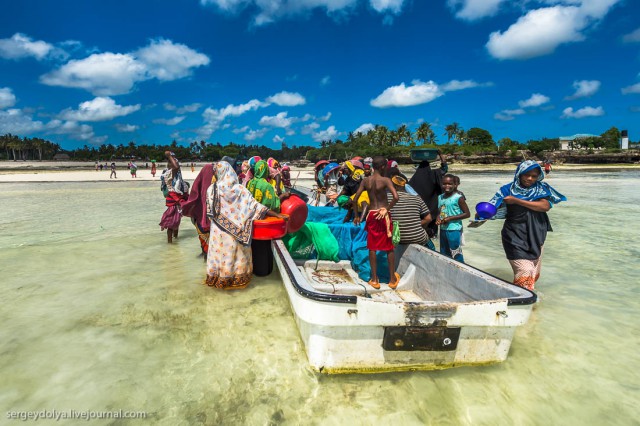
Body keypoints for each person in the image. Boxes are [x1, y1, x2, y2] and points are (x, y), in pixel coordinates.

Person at [482, 160, 566, 291]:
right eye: (527, 175)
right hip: (514, 234)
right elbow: (492, 207)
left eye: (534, 176)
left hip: (537, 232)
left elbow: (545, 206)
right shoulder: (507, 190)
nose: (530, 179)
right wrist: (482, 215)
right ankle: (520, 299)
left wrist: (516, 200)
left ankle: (529, 302)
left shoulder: (540, 188)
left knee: (533, 269)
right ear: (519, 174)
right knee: (525, 269)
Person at [205, 161, 288, 289]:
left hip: (217, 233)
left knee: (220, 255)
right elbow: (255, 206)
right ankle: (237, 282)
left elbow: (210, 212)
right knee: (235, 257)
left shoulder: (212, 189)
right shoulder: (239, 190)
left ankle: (218, 280)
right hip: (237, 234)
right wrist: (276, 215)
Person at [353, 156, 400, 289]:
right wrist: (387, 209)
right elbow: (396, 197)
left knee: (372, 247)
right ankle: (392, 279)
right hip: (383, 214)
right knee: (389, 247)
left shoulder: (366, 181)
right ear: (383, 167)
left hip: (372, 214)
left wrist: (356, 216)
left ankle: (374, 279)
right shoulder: (385, 180)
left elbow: (355, 199)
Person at [408, 150, 448, 242]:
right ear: (429, 168)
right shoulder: (434, 175)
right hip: (433, 212)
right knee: (431, 236)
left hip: (419, 213)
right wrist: (441, 154)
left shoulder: (413, 181)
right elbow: (445, 168)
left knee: (419, 235)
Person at [387, 173, 433, 248]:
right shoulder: (416, 198)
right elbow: (428, 219)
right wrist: (415, 225)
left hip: (395, 237)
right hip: (417, 237)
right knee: (429, 242)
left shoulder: (386, 197)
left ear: (393, 186)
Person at [181, 163, 215, 258]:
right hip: (213, 222)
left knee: (205, 244)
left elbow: (192, 198)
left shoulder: (199, 183)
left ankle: (204, 254)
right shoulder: (217, 185)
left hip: (200, 219)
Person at [436, 174, 470, 262]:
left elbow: (467, 214)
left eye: (450, 184)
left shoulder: (458, 198)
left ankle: (461, 269)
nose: (447, 186)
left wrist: (450, 218)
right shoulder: (440, 197)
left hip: (454, 229)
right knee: (444, 252)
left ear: (455, 185)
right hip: (443, 229)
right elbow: (440, 211)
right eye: (444, 183)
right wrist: (438, 218)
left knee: (456, 252)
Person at [159, 151, 189, 243]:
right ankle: (170, 243)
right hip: (174, 201)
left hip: (176, 200)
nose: (177, 164)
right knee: (172, 223)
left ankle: (175, 239)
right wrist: (169, 156)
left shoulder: (175, 175)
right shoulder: (169, 173)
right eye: (174, 162)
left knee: (177, 220)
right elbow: (176, 166)